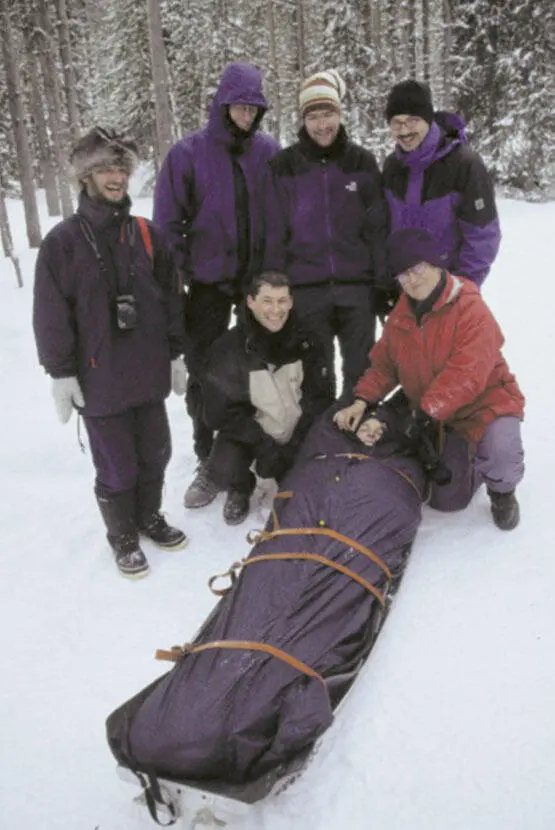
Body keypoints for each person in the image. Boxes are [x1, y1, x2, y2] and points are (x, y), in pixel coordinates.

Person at [33, 127, 187, 579]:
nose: (115, 177)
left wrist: (176, 354)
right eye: (105, 169)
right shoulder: (63, 242)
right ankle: (122, 534)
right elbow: (50, 313)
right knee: (117, 463)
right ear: (86, 177)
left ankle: (149, 517)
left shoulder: (148, 235)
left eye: (121, 168)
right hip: (99, 377)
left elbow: (172, 298)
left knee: (155, 453)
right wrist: (61, 373)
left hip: (147, 370)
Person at [334, 228, 525, 530]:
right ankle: (466, 458)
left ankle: (502, 491)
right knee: (448, 502)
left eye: (417, 268)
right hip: (437, 414)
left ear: (436, 264)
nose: (411, 279)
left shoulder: (469, 306)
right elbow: (384, 366)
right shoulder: (401, 315)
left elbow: (467, 375)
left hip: (484, 405)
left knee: (501, 454)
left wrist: (423, 413)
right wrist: (363, 399)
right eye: (402, 275)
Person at [153, 62, 281, 510]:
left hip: (256, 285)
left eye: (253, 108)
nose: (246, 115)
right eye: (239, 107)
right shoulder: (187, 154)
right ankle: (209, 458)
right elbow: (168, 227)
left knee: (257, 373)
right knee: (206, 373)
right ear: (222, 105)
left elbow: (283, 213)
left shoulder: (268, 152)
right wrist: (184, 275)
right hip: (207, 286)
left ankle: (245, 460)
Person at [263, 69, 388, 399]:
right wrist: (276, 289)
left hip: (356, 291)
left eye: (328, 114)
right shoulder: (283, 166)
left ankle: (357, 443)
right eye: (314, 116)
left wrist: (381, 285)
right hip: (306, 291)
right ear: (303, 120)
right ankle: (321, 445)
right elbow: (274, 233)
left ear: (340, 114)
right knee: (314, 377)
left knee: (360, 375)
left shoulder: (361, 162)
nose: (322, 125)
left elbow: (377, 229)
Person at [200, 271, 333, 525]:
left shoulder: (311, 339)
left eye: (282, 300)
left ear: (291, 302)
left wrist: (293, 448)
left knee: (312, 493)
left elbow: (321, 398)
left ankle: (297, 472)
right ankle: (241, 486)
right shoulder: (228, 347)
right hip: (257, 434)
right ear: (250, 302)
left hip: (298, 431)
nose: (276, 310)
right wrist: (265, 449)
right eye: (267, 301)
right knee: (222, 468)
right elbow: (219, 414)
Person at [382, 79, 500, 296]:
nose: (404, 129)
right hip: (406, 291)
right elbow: (387, 230)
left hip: (451, 292)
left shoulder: (464, 164)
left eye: (412, 120)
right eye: (396, 122)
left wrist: (460, 288)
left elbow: (482, 236)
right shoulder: (392, 167)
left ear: (428, 119)